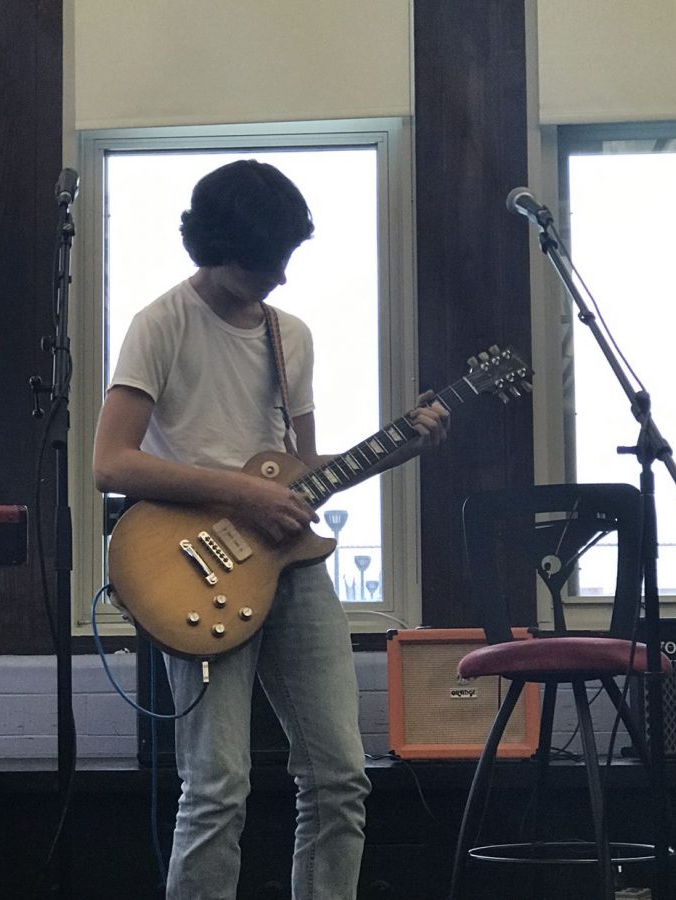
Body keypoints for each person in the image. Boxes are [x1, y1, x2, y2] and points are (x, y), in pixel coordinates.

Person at [92, 159, 449, 900]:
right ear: (215, 247)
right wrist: (237, 493)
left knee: (340, 776)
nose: (280, 278)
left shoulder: (293, 338)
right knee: (217, 785)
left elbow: (303, 469)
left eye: (288, 259)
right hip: (194, 567)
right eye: (266, 262)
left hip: (292, 567)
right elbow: (109, 461)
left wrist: (400, 446)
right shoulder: (159, 325)